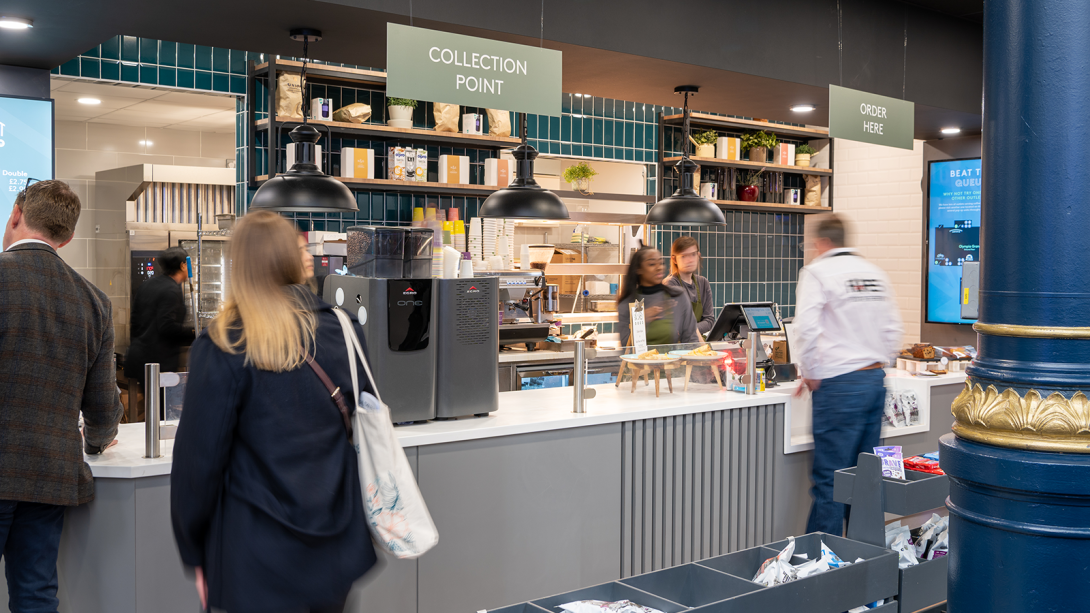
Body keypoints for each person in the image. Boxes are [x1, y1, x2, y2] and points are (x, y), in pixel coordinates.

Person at [171, 211, 377, 613]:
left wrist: (193, 550)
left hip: (254, 557)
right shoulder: (344, 328)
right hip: (336, 550)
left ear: (240, 266)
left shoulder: (225, 344)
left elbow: (198, 466)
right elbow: (364, 418)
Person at [0, 180, 123, 612]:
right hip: (50, 473)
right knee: (35, 592)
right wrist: (96, 440)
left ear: (16, 214)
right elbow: (103, 408)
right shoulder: (94, 301)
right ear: (67, 238)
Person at [793, 215, 903, 536]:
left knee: (832, 480)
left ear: (821, 243)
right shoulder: (875, 273)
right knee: (866, 479)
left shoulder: (817, 272)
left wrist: (810, 372)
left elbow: (807, 328)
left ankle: (823, 569)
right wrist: (879, 363)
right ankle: (864, 563)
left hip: (838, 386)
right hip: (874, 382)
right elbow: (893, 329)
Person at [124, 247, 194, 419]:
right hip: (159, 361)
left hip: (140, 356)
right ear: (184, 266)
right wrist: (195, 332)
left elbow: (135, 320)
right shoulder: (171, 290)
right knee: (162, 413)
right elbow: (167, 327)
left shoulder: (148, 284)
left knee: (154, 411)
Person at [617, 246, 701, 349]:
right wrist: (641, 320)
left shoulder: (678, 296)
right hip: (638, 365)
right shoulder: (626, 304)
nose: (659, 267)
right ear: (638, 269)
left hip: (672, 364)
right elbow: (626, 348)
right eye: (652, 264)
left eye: (661, 263)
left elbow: (691, 341)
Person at [664, 236, 715, 337]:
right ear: (674, 259)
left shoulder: (703, 283)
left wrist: (691, 329)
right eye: (683, 256)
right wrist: (694, 329)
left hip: (699, 342)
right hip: (678, 346)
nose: (689, 260)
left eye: (693, 254)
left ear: (698, 256)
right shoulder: (670, 284)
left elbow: (709, 320)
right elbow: (678, 326)